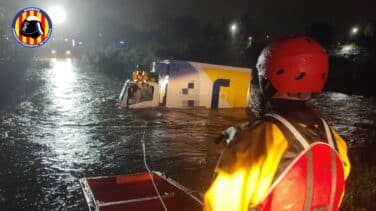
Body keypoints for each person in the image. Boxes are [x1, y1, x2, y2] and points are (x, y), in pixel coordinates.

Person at [204, 36, 351, 211]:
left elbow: (222, 205)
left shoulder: (249, 143)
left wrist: (240, 138)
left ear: (266, 82)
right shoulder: (337, 143)